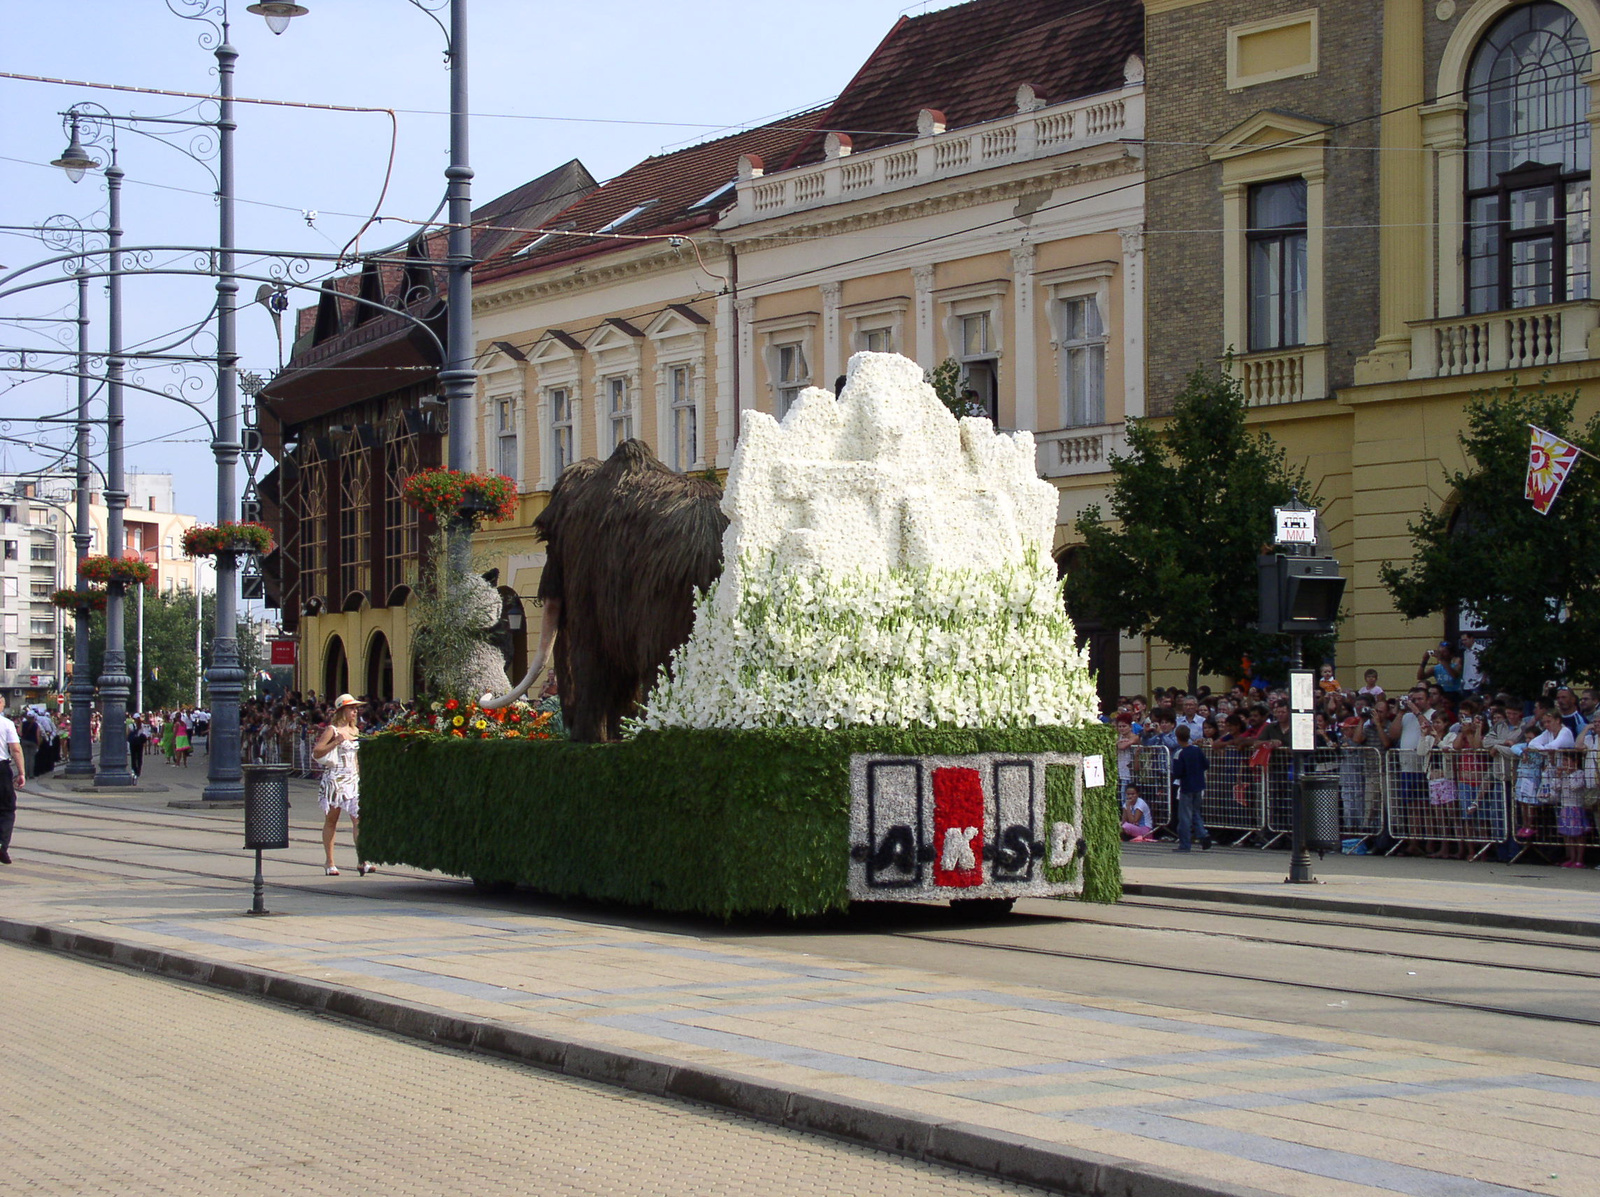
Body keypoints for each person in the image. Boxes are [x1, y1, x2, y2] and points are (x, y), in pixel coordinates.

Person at [314, 693, 372, 876]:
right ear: (342, 711)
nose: (355, 712)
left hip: (352, 779)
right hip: (335, 779)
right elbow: (317, 752)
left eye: (356, 709)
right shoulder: (333, 730)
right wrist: (336, 742)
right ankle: (329, 861)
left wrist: (361, 777)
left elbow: (355, 758)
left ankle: (362, 859)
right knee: (332, 819)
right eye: (351, 708)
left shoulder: (355, 730)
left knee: (358, 819)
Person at [1169, 724, 1211, 852]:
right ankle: (1203, 834)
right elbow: (1206, 764)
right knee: (1196, 812)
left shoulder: (1179, 753)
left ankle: (1185, 844)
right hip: (1199, 784)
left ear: (1177, 738)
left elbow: (1178, 772)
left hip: (1186, 786)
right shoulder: (1197, 750)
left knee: (1184, 816)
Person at [0, 704, 23, 864]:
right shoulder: (6, 723)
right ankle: (2, 845)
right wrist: (21, 772)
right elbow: (15, 749)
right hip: (1, 770)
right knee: (7, 809)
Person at [126, 714, 149, 779]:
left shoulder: (131, 726)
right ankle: (138, 770)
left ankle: (134, 769)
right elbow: (144, 734)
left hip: (133, 743)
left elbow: (127, 734)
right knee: (139, 756)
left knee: (133, 757)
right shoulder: (142, 725)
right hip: (139, 743)